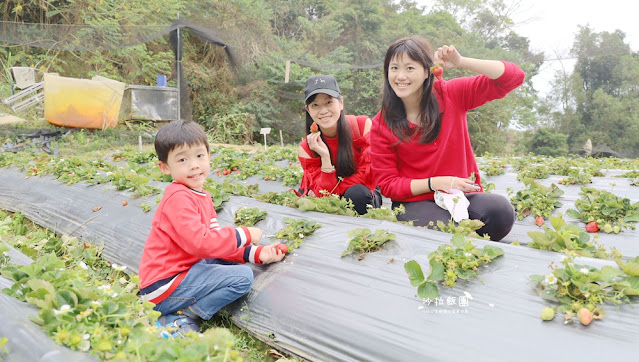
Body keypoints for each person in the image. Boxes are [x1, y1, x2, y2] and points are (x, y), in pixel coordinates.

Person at [139, 119, 285, 337]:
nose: (194, 165)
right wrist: (244, 234)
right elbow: (202, 244)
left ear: (209, 155)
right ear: (165, 167)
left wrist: (256, 252)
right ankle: (183, 314)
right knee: (243, 278)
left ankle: (181, 310)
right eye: (182, 159)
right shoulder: (178, 198)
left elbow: (215, 243)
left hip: (182, 273)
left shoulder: (202, 196)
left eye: (199, 156)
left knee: (221, 258)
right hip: (163, 287)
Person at [370, 36, 525, 241]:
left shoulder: (451, 94)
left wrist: (461, 62)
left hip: (460, 197)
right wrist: (436, 182)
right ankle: (459, 237)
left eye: (409, 68)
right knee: (442, 231)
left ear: (427, 71)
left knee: (501, 212)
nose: (400, 76)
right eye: (394, 68)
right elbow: (389, 184)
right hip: (414, 201)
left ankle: (462, 233)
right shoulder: (382, 124)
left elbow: (513, 77)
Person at [297, 74, 382, 215]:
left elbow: (368, 176)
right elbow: (324, 196)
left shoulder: (362, 126)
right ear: (308, 110)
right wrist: (325, 158)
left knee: (357, 195)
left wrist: (334, 193)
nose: (323, 111)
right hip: (330, 197)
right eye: (315, 105)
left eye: (329, 102)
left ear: (341, 103)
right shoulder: (306, 148)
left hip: (363, 192)